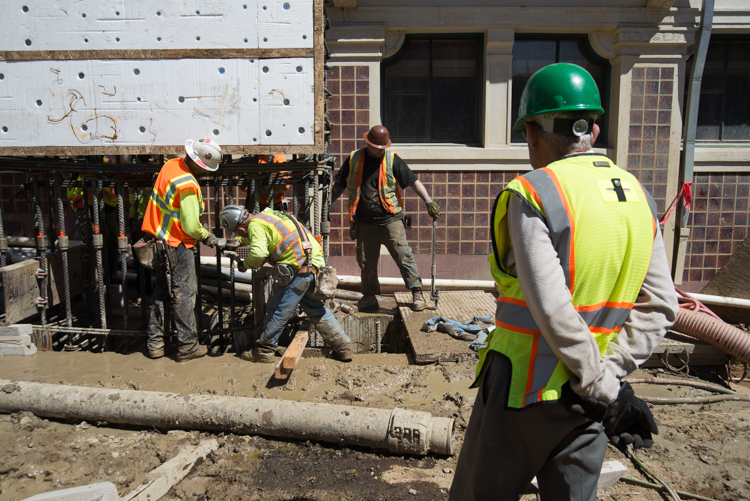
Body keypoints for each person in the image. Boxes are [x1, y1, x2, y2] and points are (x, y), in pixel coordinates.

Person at [449, 63, 679, 501]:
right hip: (589, 399)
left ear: (534, 132)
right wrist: (608, 382)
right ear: (591, 127)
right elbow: (662, 305)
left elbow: (552, 309)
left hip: (524, 388)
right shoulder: (637, 194)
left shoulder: (533, 191)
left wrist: (598, 383)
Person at [219, 204, 353, 363]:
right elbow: (262, 236)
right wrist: (236, 243)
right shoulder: (267, 216)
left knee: (277, 309)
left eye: (237, 233)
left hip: (297, 270)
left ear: (240, 229)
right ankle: (344, 348)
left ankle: (264, 350)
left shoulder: (255, 225)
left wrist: (245, 264)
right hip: (314, 266)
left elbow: (258, 253)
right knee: (316, 309)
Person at [331, 125, 440, 312]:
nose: (379, 150)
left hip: (391, 220)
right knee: (366, 261)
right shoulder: (354, 159)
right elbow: (338, 185)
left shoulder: (392, 160)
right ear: (368, 142)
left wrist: (428, 201)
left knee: (403, 255)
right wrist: (326, 204)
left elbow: (413, 181)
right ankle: (369, 296)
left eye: (382, 147)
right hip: (365, 222)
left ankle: (416, 292)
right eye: (375, 146)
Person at [141, 138, 220, 361]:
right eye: (205, 169)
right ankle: (187, 346)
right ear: (197, 163)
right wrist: (208, 236)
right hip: (178, 245)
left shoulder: (170, 165)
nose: (205, 174)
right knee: (185, 294)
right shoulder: (186, 183)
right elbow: (191, 226)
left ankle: (156, 344)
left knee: (162, 293)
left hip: (159, 241)